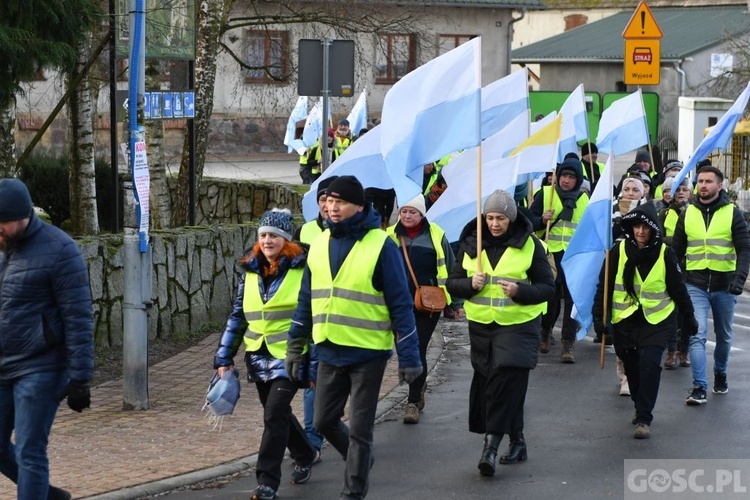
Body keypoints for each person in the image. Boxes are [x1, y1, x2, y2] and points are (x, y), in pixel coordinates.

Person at [285, 175, 422, 499]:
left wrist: (410, 357)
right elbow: (306, 300)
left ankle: (353, 490)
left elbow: (401, 306)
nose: (332, 207)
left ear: (359, 206)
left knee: (361, 430)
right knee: (322, 421)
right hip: (329, 350)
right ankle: (362, 461)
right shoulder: (318, 244)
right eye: (329, 201)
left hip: (368, 354)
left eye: (340, 202)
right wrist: (295, 346)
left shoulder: (381, 245)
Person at [446, 189, 554, 476]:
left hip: (519, 324)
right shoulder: (471, 243)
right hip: (482, 326)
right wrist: (470, 284)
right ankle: (517, 441)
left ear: (512, 218)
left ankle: (490, 448)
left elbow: (548, 288)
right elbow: (452, 284)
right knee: (494, 382)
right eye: (490, 217)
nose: (495, 224)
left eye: (501, 218)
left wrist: (521, 291)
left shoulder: (530, 245)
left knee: (506, 378)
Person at [213, 209, 318, 500]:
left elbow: (314, 316)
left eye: (274, 235)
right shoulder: (250, 270)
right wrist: (224, 358)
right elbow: (238, 316)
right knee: (277, 413)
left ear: (286, 239)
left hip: (292, 354)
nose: (268, 240)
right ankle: (305, 452)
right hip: (258, 354)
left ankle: (267, 481)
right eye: (263, 235)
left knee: (273, 414)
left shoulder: (302, 269)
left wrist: (314, 366)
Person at [0, 178, 93, 500]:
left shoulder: (60, 250)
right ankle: (46, 494)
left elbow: (79, 317)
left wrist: (81, 378)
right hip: (4, 366)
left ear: (22, 215)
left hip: (42, 367)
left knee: (29, 450)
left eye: (2, 223)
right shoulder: (4, 248)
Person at [593, 203, 697, 439]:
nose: (640, 232)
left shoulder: (664, 253)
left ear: (653, 230)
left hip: (657, 321)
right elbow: (604, 289)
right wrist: (600, 321)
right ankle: (640, 402)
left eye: (645, 228)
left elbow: (678, 289)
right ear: (630, 228)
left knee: (650, 365)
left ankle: (644, 417)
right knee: (632, 369)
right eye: (636, 227)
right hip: (625, 321)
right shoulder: (617, 252)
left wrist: (689, 317)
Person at [671, 165, 750, 405]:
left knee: (724, 336)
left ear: (720, 186)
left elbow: (744, 247)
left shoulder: (732, 213)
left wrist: (739, 278)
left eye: (708, 181)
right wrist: (677, 278)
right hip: (695, 284)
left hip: (725, 285)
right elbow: (676, 250)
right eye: (700, 181)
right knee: (697, 334)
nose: (703, 185)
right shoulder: (688, 213)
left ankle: (720, 373)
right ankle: (699, 387)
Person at [387, 195, 463, 424]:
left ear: (422, 214)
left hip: (428, 304)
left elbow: (450, 268)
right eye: (404, 212)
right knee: (403, 351)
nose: (407, 216)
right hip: (397, 304)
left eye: (413, 212)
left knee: (417, 349)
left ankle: (412, 402)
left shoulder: (436, 235)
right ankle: (418, 385)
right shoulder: (389, 236)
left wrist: (455, 303)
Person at [295, 177, 339, 460]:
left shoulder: (352, 234)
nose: (326, 205)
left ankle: (331, 424)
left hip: (343, 321)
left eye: (332, 200)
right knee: (312, 382)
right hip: (312, 317)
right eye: (323, 200)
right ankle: (312, 440)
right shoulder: (307, 231)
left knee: (334, 385)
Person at [529, 157, 589, 362]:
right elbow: (527, 222)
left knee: (572, 300)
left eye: (571, 177)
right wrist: (541, 220)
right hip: (549, 254)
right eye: (564, 175)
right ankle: (545, 331)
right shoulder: (546, 193)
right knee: (551, 297)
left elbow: (588, 229)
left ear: (578, 180)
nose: (566, 180)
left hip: (573, 257)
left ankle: (567, 344)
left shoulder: (584, 200)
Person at [659, 176, 694, 370]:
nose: (680, 192)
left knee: (687, 311)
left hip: (691, 269)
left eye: (684, 189)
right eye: (677, 189)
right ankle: (671, 350)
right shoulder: (664, 214)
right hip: (670, 266)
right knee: (672, 311)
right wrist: (675, 241)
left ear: (691, 192)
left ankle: (684, 350)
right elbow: (658, 237)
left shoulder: (695, 212)